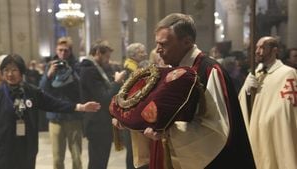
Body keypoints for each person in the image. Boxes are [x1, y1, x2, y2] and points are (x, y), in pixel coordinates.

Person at [113, 13, 255, 169]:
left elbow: (217, 132)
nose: (158, 50)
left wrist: (168, 134)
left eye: (164, 44)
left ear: (187, 42)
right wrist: (129, 120)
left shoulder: (209, 71)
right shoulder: (166, 72)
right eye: (157, 44)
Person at [0, 54, 100, 169]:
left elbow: (53, 103)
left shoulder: (31, 92)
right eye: (6, 70)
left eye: (14, 70)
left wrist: (80, 107)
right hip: (4, 147)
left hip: (26, 146)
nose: (10, 74)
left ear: (21, 71)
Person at [239, 36, 297, 169]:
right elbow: (243, 105)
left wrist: (269, 118)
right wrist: (246, 91)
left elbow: (289, 108)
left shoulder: (288, 73)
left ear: (274, 50)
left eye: (262, 48)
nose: (257, 51)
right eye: (256, 48)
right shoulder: (256, 73)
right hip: (257, 129)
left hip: (277, 131)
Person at [78, 40, 126, 169]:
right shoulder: (89, 70)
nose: (108, 60)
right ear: (98, 52)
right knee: (97, 162)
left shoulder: (97, 69)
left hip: (101, 123)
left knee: (100, 161)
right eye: (107, 56)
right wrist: (117, 82)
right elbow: (104, 98)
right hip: (96, 123)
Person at [39, 37, 83, 169]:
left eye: (66, 50)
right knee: (57, 157)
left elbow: (81, 89)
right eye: (60, 50)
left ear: (70, 51)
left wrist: (72, 73)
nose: (63, 53)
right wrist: (49, 75)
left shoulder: (76, 66)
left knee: (76, 156)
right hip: (55, 117)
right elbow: (41, 90)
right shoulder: (50, 66)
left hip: (73, 116)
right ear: (56, 50)